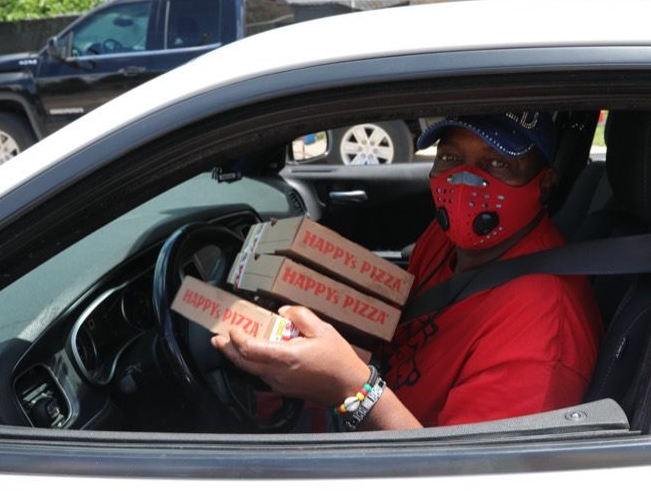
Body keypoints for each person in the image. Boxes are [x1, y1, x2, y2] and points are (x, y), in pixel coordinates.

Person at [213, 112, 602, 430]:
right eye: (450, 158)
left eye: (497, 163)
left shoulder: (543, 333)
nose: (465, 181)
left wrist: (352, 390)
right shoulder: (446, 238)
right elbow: (395, 333)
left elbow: (464, 485)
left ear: (545, 183)